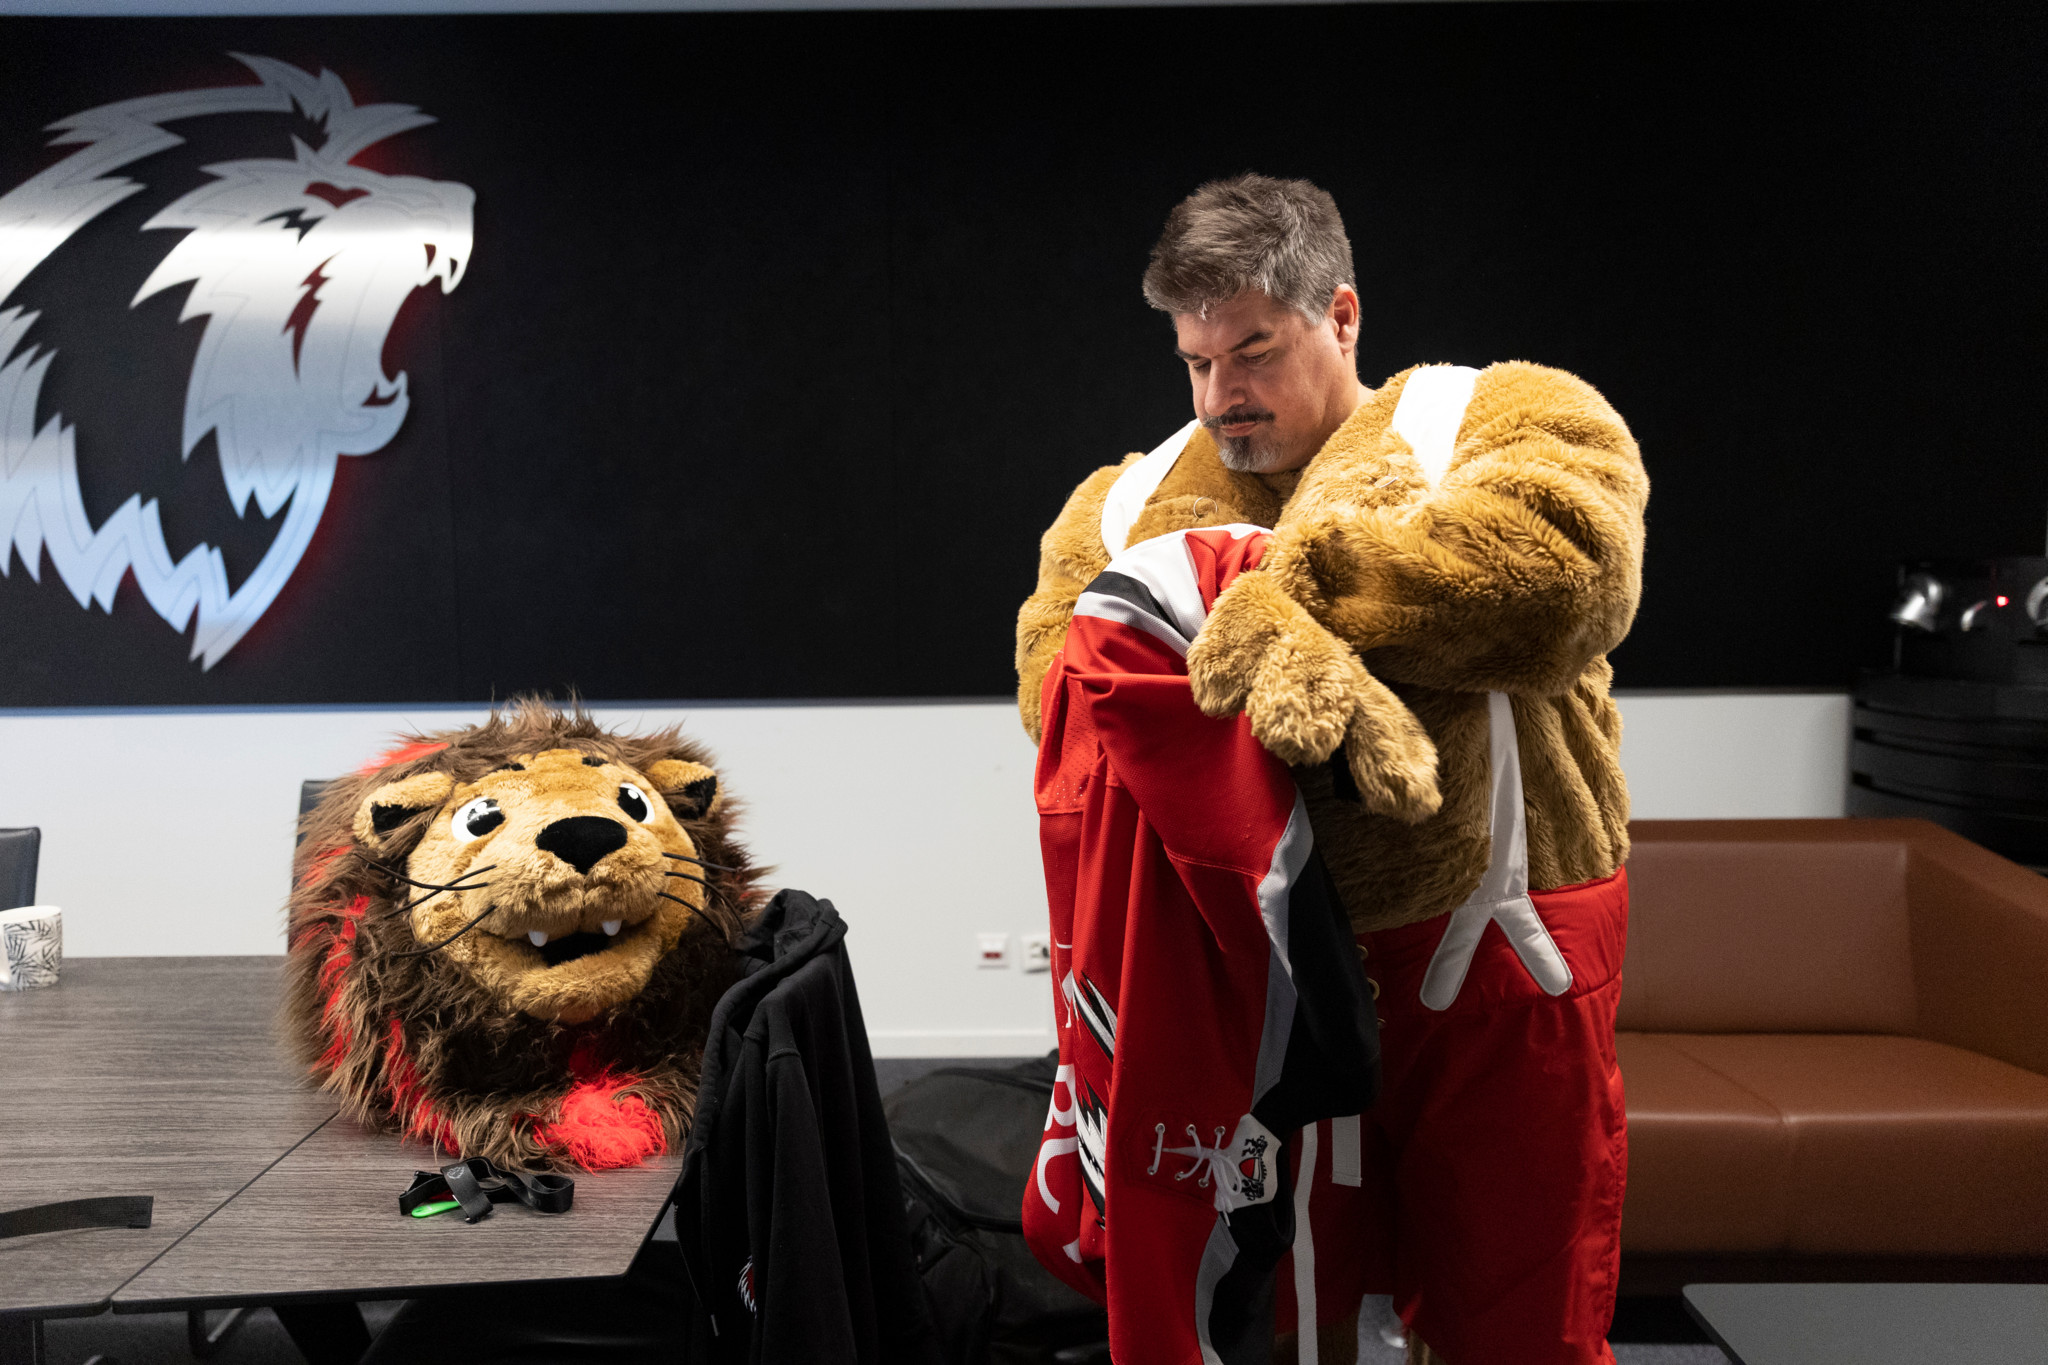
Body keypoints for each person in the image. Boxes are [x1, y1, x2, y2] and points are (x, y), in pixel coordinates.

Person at [1016, 174, 1648, 1365]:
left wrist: (1270, 604)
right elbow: (1057, 688)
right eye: (1194, 362)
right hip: (1248, 976)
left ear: (1341, 315)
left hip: (1502, 942)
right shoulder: (1125, 501)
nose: (1219, 396)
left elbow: (1559, 581)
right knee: (1270, 1311)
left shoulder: (1498, 417)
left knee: (1516, 1310)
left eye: (1250, 351)